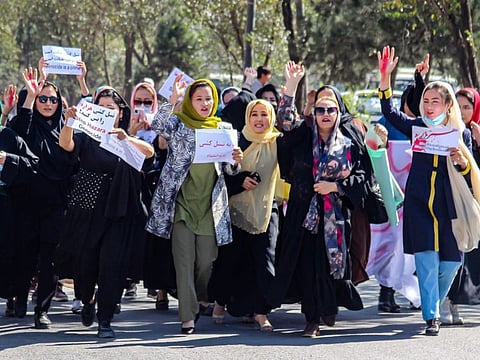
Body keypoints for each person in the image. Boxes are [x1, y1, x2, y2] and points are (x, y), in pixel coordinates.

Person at [377, 45, 480, 336]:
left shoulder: (459, 133)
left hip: (449, 206)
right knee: (426, 260)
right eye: (426, 100)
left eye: (436, 101)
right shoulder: (417, 127)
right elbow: (389, 112)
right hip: (419, 202)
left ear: (448, 105)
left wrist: (461, 162)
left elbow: (468, 172)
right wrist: (385, 80)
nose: (430, 105)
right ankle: (431, 316)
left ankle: (431, 299)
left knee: (450, 263)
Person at [267, 61, 366, 338]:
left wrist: (335, 186)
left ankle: (328, 307)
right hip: (304, 213)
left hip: (335, 215)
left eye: (330, 109)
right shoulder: (302, 134)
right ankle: (312, 319)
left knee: (329, 264)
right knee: (308, 265)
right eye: (320, 109)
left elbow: (362, 177)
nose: (325, 114)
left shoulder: (348, 141)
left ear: (339, 111)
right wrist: (291, 86)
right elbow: (285, 122)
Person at [145, 75, 243, 335]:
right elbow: (157, 125)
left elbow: (231, 170)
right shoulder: (179, 123)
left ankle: (201, 296)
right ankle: (187, 316)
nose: (203, 103)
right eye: (198, 98)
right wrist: (172, 99)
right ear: (190, 101)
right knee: (184, 261)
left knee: (206, 261)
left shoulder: (222, 128)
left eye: (208, 99)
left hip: (210, 207)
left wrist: (236, 159)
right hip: (180, 205)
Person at [58, 86, 154, 338]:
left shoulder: (126, 138)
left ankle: (105, 319)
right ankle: (87, 299)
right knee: (86, 264)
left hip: (120, 209)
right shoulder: (87, 137)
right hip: (88, 208)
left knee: (113, 264)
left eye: (111, 108)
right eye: (100, 107)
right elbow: (66, 144)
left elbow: (149, 153)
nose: (106, 111)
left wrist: (126, 138)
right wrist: (69, 122)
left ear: (120, 112)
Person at [8, 68, 77, 329]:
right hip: (25, 202)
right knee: (23, 254)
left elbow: (72, 157)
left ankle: (42, 310)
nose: (48, 104)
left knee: (49, 260)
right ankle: (18, 299)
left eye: (53, 99)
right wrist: (29, 97)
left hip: (55, 204)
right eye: (42, 99)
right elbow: (19, 134)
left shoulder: (66, 128)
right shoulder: (24, 123)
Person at [210, 99, 280, 331]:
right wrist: (239, 177)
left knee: (265, 262)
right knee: (230, 260)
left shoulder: (277, 142)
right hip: (236, 210)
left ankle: (261, 312)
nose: (259, 119)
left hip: (266, 210)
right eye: (255, 115)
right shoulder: (237, 141)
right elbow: (221, 176)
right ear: (247, 118)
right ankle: (220, 302)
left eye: (264, 115)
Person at [440, 87, 480, 325]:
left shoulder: (474, 132)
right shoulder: (449, 133)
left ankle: (455, 301)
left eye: (468, 107)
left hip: (476, 203)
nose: (464, 112)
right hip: (454, 202)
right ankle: (446, 300)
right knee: (455, 253)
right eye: (460, 106)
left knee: (470, 257)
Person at [0, 123, 38, 317]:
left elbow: (33, 164)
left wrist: (8, 159)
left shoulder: (9, 136)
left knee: (13, 253)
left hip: (10, 207)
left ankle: (16, 297)